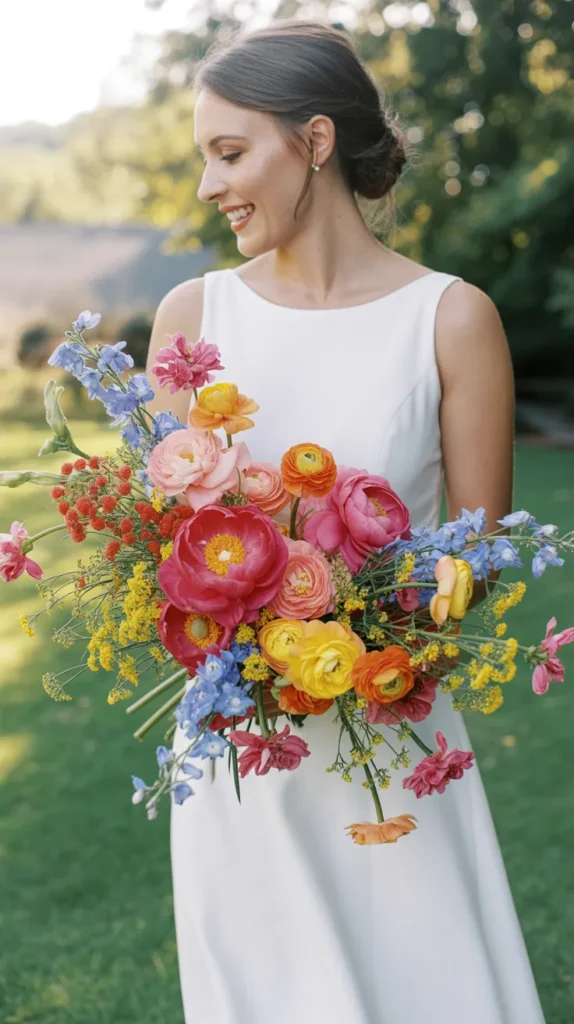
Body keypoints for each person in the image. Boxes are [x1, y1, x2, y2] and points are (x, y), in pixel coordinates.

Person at [146, 21, 546, 1024]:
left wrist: (362, 624)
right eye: (207, 158)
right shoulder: (190, 322)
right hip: (246, 758)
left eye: (230, 153)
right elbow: (168, 556)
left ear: (315, 142)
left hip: (394, 744)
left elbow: (478, 558)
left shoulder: (452, 319)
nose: (209, 186)